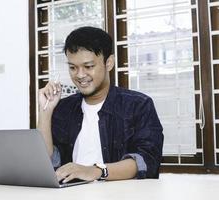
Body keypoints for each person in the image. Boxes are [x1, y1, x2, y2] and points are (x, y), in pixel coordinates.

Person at [38, 26, 163, 183]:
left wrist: (96, 171)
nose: (80, 75)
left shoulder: (139, 105)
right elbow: (46, 161)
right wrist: (45, 111)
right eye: (72, 67)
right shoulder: (63, 108)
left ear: (109, 63)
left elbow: (146, 160)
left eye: (89, 66)